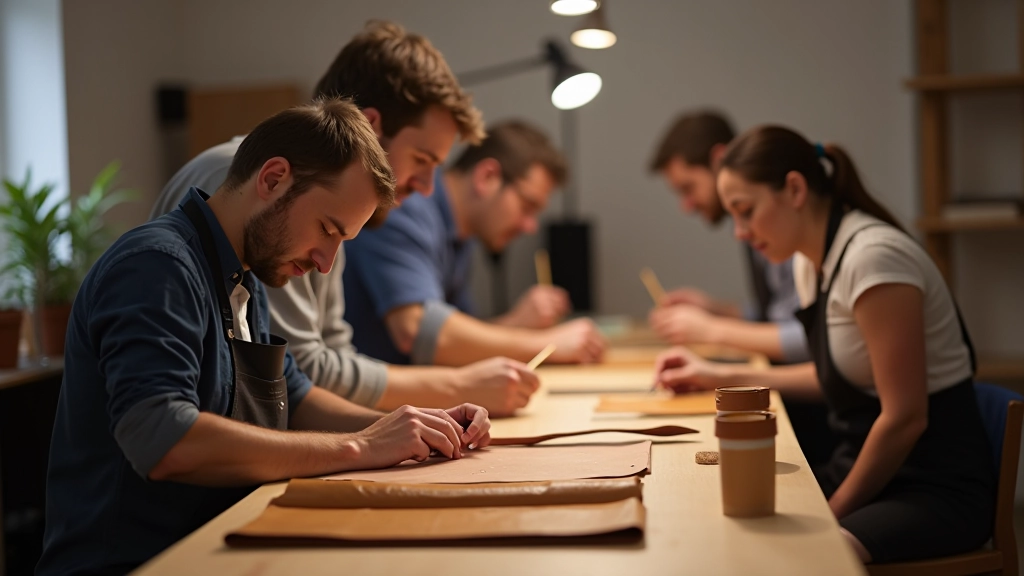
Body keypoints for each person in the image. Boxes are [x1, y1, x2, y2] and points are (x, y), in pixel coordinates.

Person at [38, 99, 493, 576]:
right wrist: (361, 447)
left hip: (218, 549)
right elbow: (163, 437)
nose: (325, 263)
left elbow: (295, 398)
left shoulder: (246, 277)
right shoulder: (157, 266)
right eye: (326, 229)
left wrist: (411, 429)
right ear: (273, 178)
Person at [150, 21, 539, 417]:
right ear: (370, 127)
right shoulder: (254, 192)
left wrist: (404, 426)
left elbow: (315, 365)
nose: (426, 188)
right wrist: (449, 390)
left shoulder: (335, 210)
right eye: (422, 160)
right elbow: (297, 374)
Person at [654, 125, 994, 564]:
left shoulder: (873, 258)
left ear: (794, 189)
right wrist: (720, 376)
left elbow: (904, 417)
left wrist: (829, 513)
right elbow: (839, 375)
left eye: (746, 211)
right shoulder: (810, 262)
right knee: (721, 522)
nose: (738, 231)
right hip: (865, 469)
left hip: (930, 487)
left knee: (800, 558)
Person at [648, 110, 835, 466]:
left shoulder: (852, 253)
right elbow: (785, 314)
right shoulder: (779, 233)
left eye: (688, 188)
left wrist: (712, 330)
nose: (740, 231)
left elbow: (811, 342)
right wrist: (714, 309)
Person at [344, 120, 606, 366]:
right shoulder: (406, 205)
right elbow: (417, 330)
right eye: (528, 206)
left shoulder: (462, 236)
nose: (530, 226)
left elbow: (454, 336)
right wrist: (546, 344)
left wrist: (517, 323)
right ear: (487, 177)